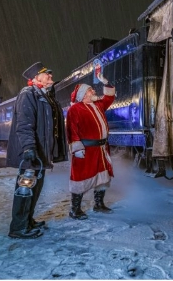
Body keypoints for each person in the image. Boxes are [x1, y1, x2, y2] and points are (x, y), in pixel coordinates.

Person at [7, 62, 68, 239]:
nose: (50, 75)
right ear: (35, 78)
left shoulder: (43, 95)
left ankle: (27, 220)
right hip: (30, 154)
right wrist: (28, 147)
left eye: (50, 73)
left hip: (39, 154)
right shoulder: (28, 94)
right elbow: (24, 125)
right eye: (45, 74)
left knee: (34, 188)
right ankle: (18, 227)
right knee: (25, 190)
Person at [66, 73, 116, 220]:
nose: (94, 92)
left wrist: (106, 82)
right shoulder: (75, 109)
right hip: (85, 150)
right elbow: (71, 130)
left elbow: (109, 97)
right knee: (80, 178)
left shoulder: (98, 105)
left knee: (103, 178)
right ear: (83, 95)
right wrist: (77, 148)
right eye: (90, 90)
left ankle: (99, 204)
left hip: (101, 149)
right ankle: (75, 209)